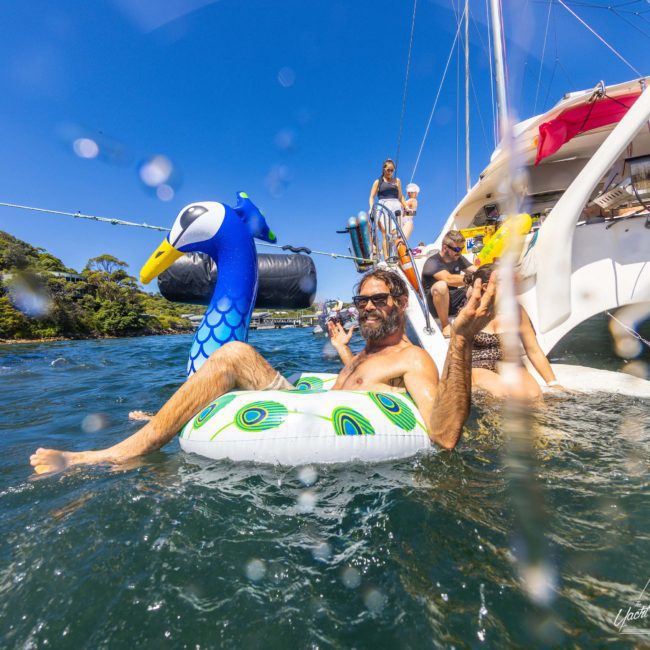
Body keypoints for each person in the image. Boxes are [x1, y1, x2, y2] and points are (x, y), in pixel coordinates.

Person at [30, 269, 496, 474]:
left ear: (400, 304)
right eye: (362, 300)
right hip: (306, 401)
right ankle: (164, 416)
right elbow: (349, 385)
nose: (367, 307)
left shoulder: (412, 359)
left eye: (378, 300)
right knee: (233, 350)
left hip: (326, 436)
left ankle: (112, 454)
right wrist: (342, 351)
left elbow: (444, 435)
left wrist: (462, 340)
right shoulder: (364, 353)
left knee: (231, 352)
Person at [466, 264, 564, 400]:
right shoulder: (470, 312)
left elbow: (533, 349)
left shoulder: (517, 310)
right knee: (501, 394)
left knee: (534, 395)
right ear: (485, 287)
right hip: (479, 364)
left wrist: (553, 383)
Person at [421, 230, 476, 337]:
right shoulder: (432, 262)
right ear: (445, 248)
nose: (459, 252)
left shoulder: (458, 257)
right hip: (434, 305)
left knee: (477, 285)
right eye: (456, 249)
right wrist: (472, 278)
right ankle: (445, 325)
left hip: (452, 299)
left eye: (461, 249)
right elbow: (449, 279)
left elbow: (476, 271)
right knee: (441, 286)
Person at [368, 159, 408, 258]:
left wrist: (406, 206)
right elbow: (371, 197)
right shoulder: (378, 182)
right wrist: (371, 208)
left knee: (396, 233)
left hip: (396, 207)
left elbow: (401, 196)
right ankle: (386, 258)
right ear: (384, 169)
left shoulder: (397, 181)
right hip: (383, 207)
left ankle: (399, 256)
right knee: (385, 233)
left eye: (392, 170)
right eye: (388, 170)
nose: (390, 172)